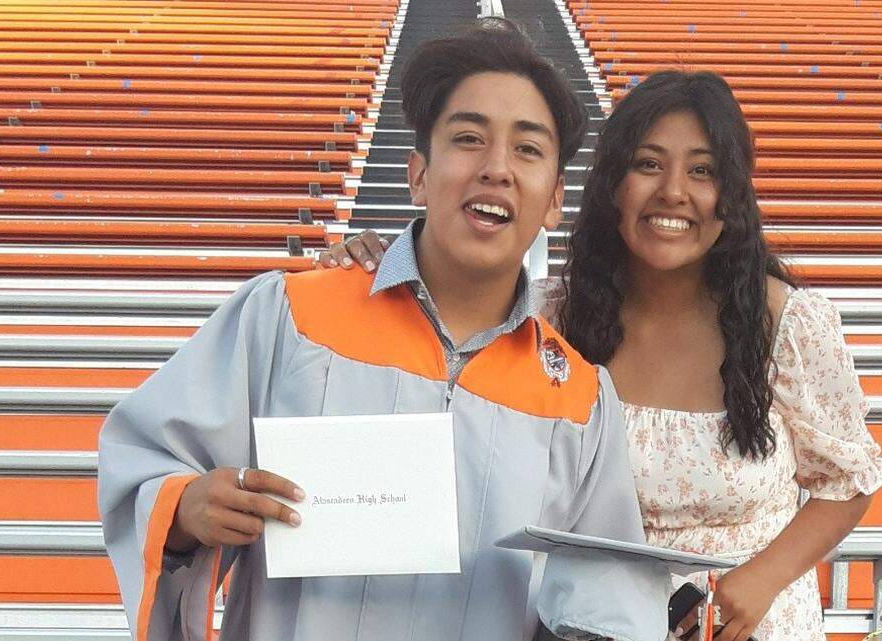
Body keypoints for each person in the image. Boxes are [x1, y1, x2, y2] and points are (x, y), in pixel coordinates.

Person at [98, 19, 670, 641]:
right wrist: (185, 509)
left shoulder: (578, 403)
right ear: (419, 174)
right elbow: (145, 462)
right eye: (469, 138)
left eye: (528, 149)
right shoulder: (290, 319)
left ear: (556, 199)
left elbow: (606, 592)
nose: (497, 169)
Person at [324, 70, 882, 641]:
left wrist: (763, 579)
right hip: (581, 625)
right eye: (648, 164)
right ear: (611, 186)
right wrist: (372, 263)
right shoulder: (545, 319)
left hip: (744, 625)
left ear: (733, 196)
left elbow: (850, 481)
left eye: (703, 171)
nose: (673, 190)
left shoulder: (787, 325)